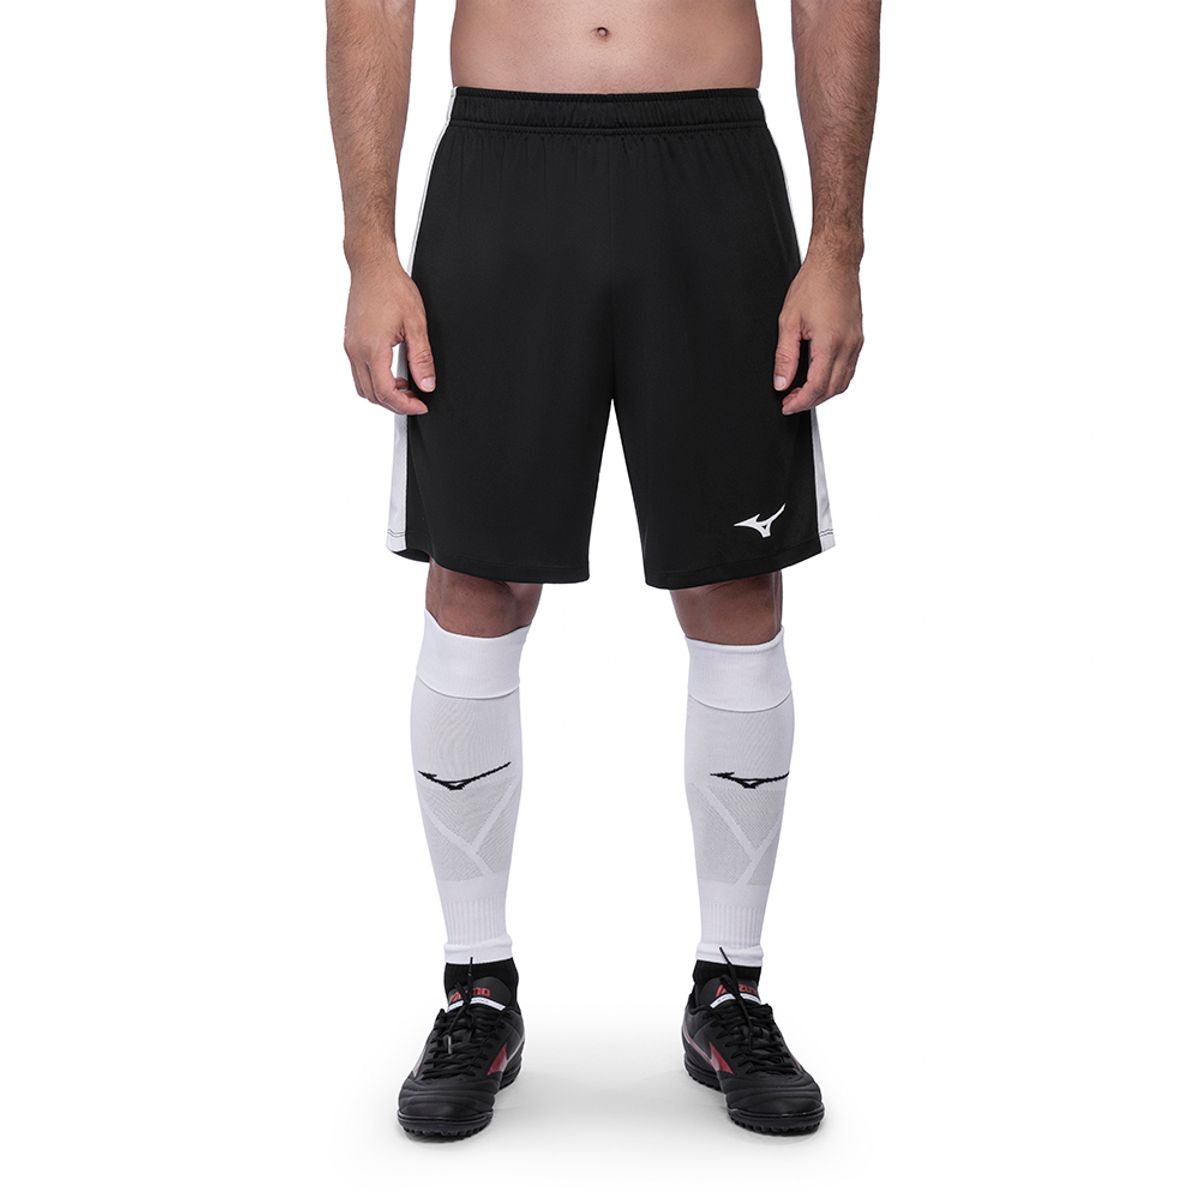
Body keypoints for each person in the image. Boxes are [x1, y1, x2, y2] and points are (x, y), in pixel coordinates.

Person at [326, 0, 880, 1139]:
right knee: (476, 580)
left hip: (711, 168)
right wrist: (368, 248)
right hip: (504, 168)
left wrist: (838, 245)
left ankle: (731, 987)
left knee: (734, 583)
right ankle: (475, 986)